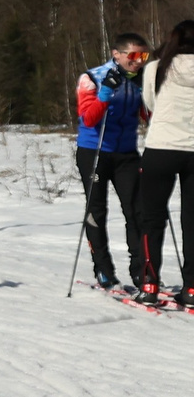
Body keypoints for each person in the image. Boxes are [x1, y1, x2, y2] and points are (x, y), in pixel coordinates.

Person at [77, 34, 150, 293]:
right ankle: (103, 270)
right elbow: (88, 119)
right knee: (97, 212)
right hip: (95, 152)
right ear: (116, 54)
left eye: (144, 56)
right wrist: (105, 94)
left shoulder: (139, 79)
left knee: (137, 210)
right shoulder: (92, 77)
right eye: (133, 56)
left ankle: (142, 272)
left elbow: (148, 115)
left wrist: (150, 92)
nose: (138, 62)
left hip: (127, 154)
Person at [131, 20, 194, 309]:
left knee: (152, 219)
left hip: (162, 148)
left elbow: (150, 103)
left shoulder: (156, 67)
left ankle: (149, 284)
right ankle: (192, 288)